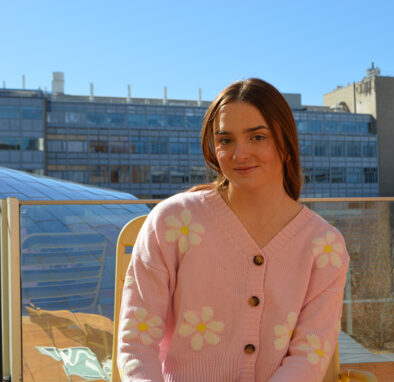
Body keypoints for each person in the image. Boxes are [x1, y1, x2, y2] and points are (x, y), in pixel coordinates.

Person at [117, 78, 350, 381]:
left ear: (286, 144)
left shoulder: (324, 245)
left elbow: (309, 356)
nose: (240, 154)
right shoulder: (172, 223)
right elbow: (136, 343)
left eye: (257, 137)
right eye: (226, 140)